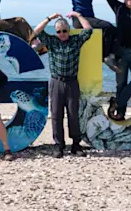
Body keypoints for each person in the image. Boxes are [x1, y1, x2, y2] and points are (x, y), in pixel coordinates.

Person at [21, 0, 125, 71]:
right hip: (78, 19)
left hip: (90, 18)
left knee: (111, 31)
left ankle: (110, 56)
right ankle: (106, 56)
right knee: (108, 26)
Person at [32, 11, 92, 158]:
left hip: (72, 82)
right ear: (56, 32)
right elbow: (36, 31)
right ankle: (59, 145)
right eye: (59, 31)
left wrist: (78, 16)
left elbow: (88, 30)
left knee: (73, 115)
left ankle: (76, 145)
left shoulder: (76, 40)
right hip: (56, 82)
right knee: (56, 115)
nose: (62, 34)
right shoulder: (52, 41)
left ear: (69, 30)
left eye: (65, 30)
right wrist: (49, 18)